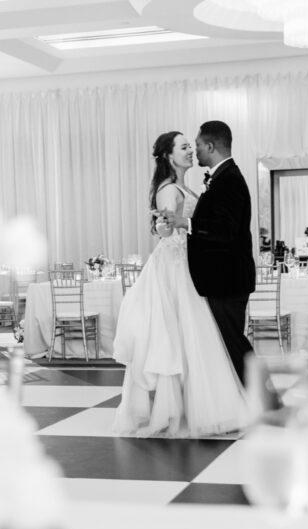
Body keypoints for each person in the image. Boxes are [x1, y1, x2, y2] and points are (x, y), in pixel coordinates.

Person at [112, 127, 252, 437]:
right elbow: (164, 230)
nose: (191, 151)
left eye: (193, 145)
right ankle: (177, 409)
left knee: (195, 339)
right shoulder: (167, 189)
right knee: (178, 338)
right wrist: (164, 225)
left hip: (190, 269)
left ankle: (201, 404)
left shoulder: (184, 187)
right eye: (184, 147)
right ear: (168, 155)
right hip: (174, 270)